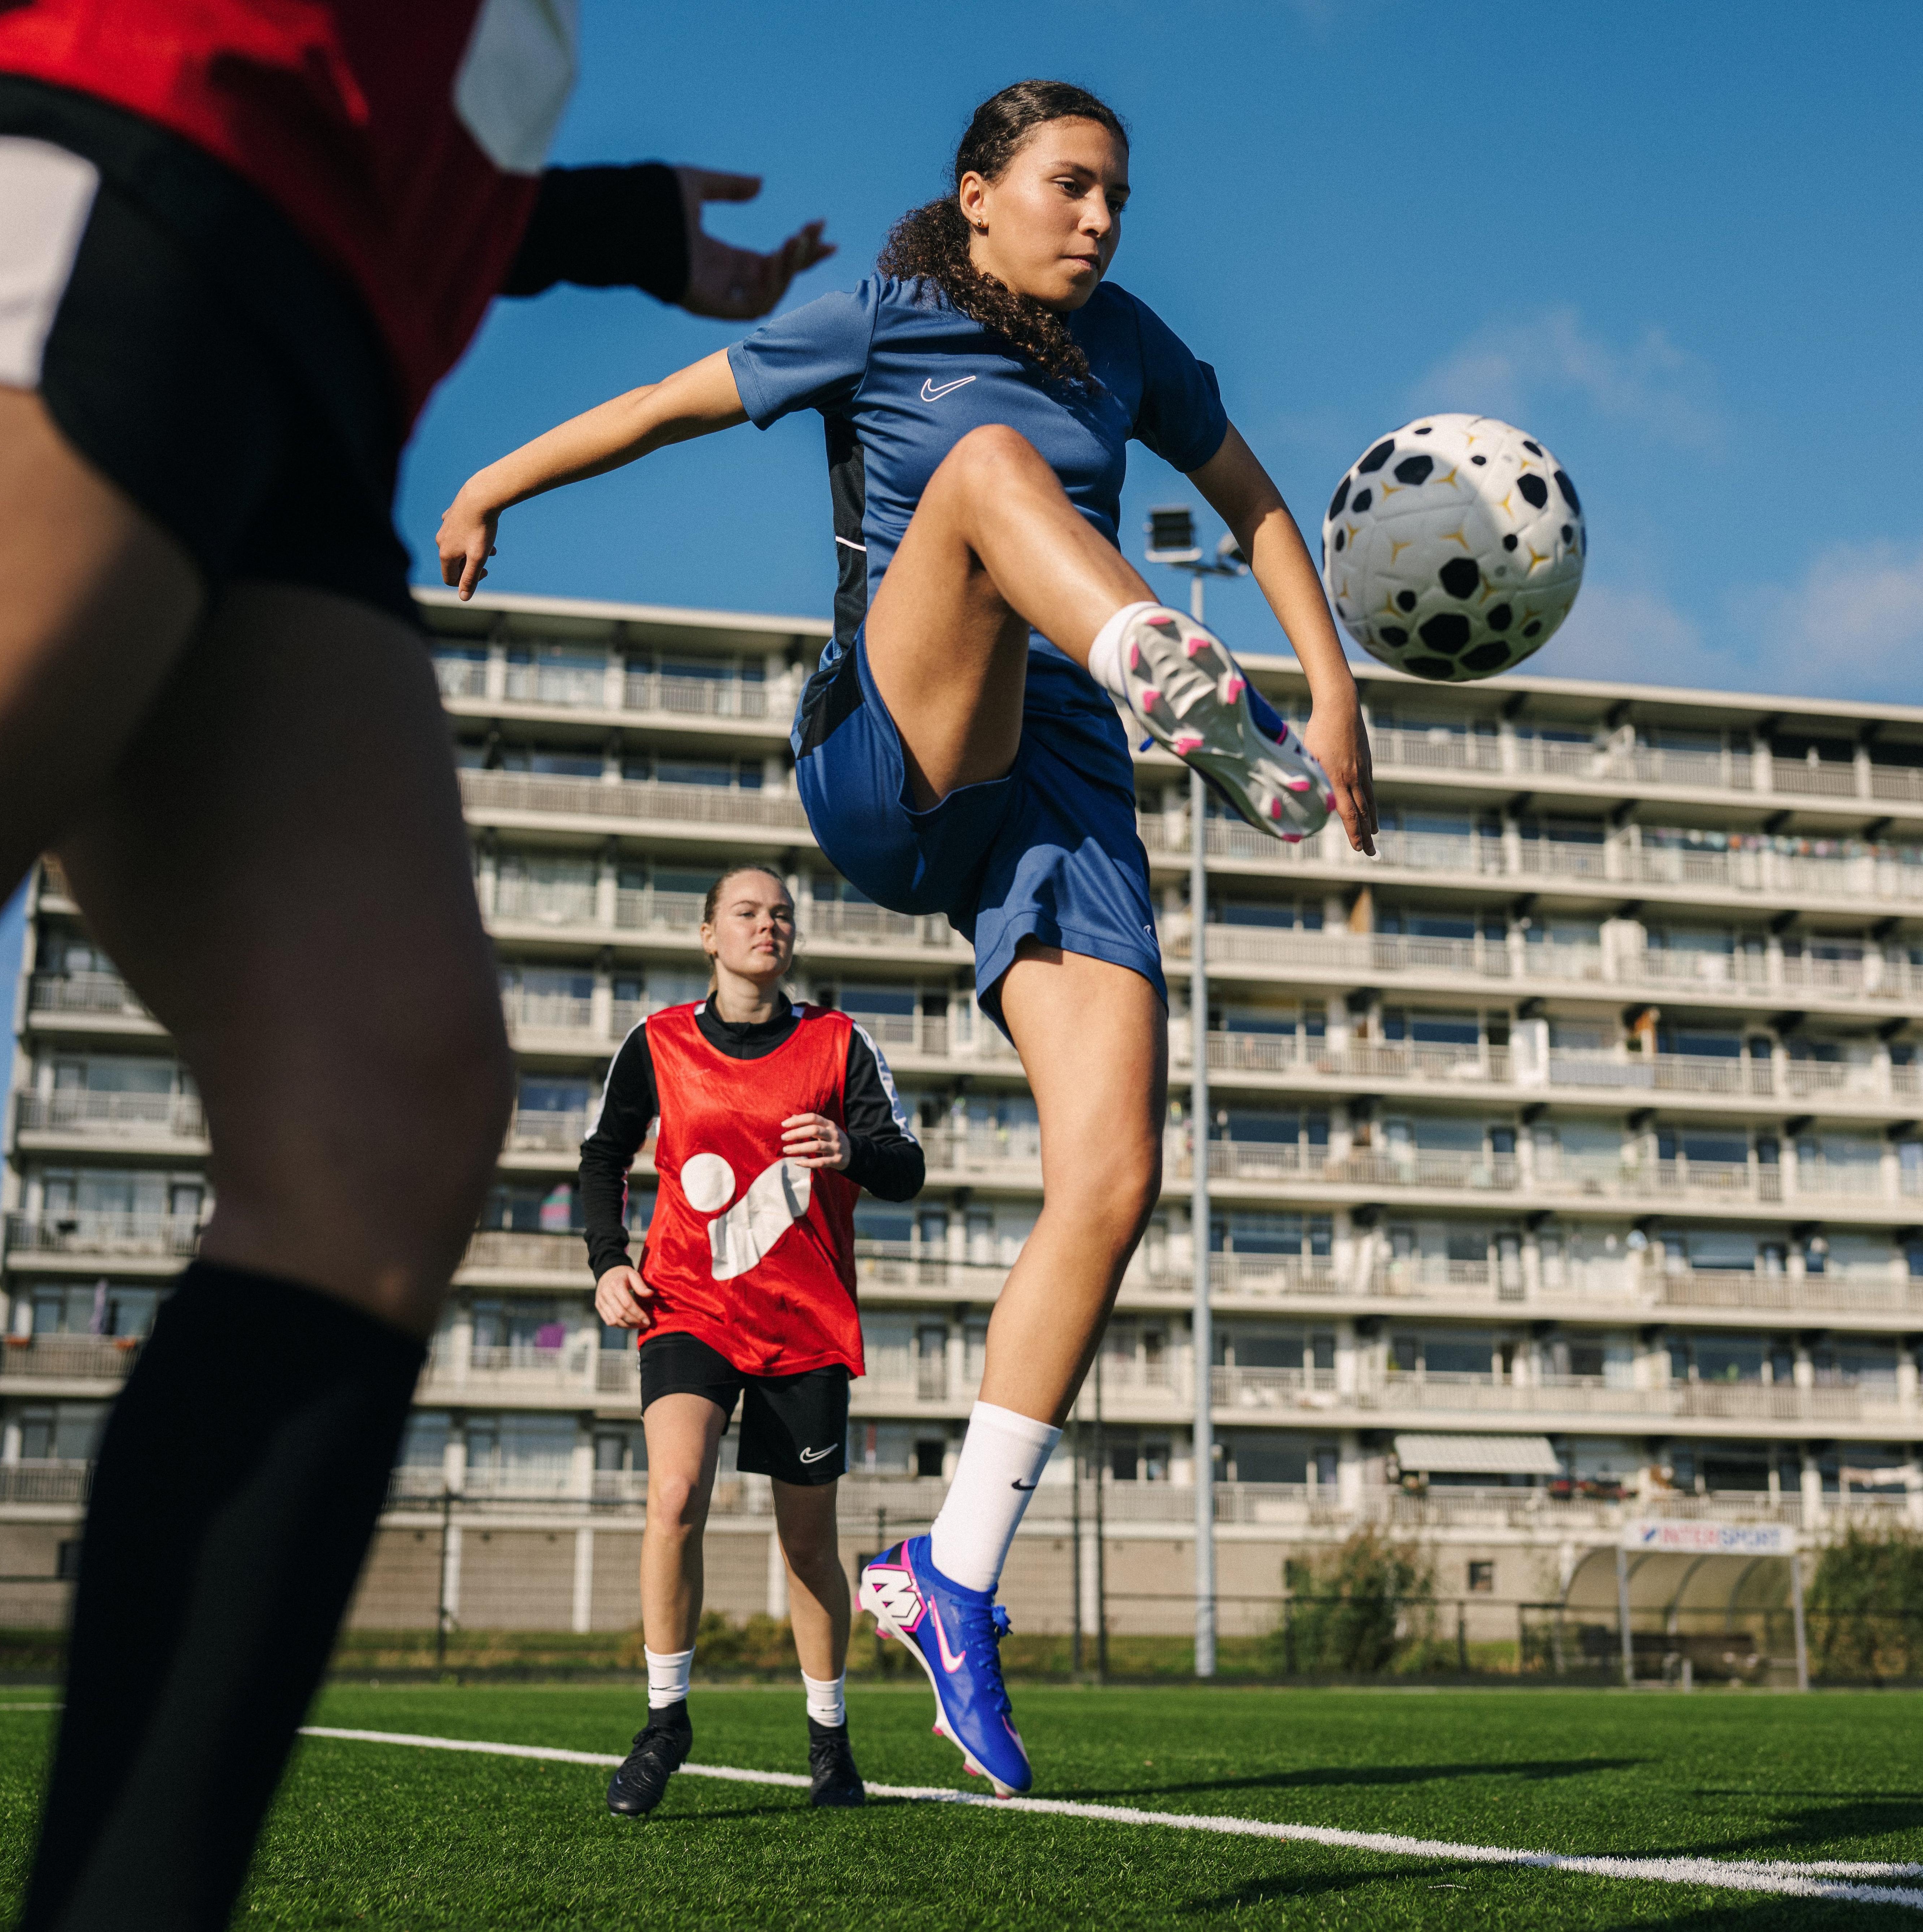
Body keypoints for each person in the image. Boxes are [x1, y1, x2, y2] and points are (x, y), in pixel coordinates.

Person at [0, 1, 830, 1924]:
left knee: (378, 1123)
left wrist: (608, 224)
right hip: (87, 132)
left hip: (301, 318)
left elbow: (405, 79)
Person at [437, 78, 1380, 1797]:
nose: (1098, 220)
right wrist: (495, 476)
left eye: (1117, 197)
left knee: (1111, 1176)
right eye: (1067, 187)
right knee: (991, 466)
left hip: (1069, 792)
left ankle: (948, 1572)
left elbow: (1252, 499)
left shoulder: (1134, 347)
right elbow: (666, 405)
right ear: (976, 196)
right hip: (891, 747)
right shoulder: (882, 319)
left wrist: (1329, 695)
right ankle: (1154, 660)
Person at [575, 863, 922, 1815]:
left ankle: (829, 1743)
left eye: (781, 915)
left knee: (808, 1547)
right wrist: (608, 1261)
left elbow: (907, 1165)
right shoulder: (657, 1043)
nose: (767, 926)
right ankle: (663, 1721)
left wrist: (853, 1151)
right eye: (747, 912)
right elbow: (603, 1154)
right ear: (709, 935)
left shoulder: (839, 1043)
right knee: (675, 1490)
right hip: (687, 1307)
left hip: (804, 1323)